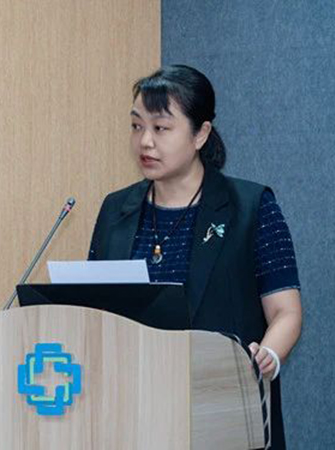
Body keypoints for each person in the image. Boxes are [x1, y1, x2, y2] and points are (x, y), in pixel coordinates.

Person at [88, 65, 302, 449]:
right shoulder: (115, 210)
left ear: (200, 134)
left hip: (221, 407)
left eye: (161, 128)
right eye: (137, 126)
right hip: (133, 411)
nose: (145, 142)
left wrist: (268, 355)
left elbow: (286, 312)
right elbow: (94, 309)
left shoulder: (250, 206)